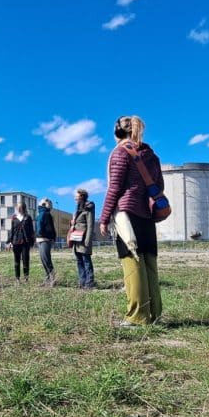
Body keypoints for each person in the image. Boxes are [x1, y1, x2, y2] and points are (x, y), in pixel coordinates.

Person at [99, 115, 163, 327]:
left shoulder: (120, 152)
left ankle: (137, 316)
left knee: (132, 263)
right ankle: (155, 313)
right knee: (149, 265)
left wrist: (104, 216)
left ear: (117, 132)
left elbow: (115, 188)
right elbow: (159, 187)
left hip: (127, 213)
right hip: (146, 214)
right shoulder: (152, 156)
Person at [70, 188, 96, 289]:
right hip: (76, 239)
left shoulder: (89, 207)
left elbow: (90, 225)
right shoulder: (77, 208)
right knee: (79, 260)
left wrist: (88, 240)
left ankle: (89, 283)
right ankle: (82, 282)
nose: (74, 197)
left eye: (76, 195)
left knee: (86, 260)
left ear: (81, 196)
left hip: (84, 238)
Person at [8, 202, 36, 283]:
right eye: (18, 207)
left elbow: (31, 230)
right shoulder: (14, 218)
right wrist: (10, 242)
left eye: (20, 207)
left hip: (25, 242)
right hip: (16, 242)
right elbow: (12, 230)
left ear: (24, 208)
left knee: (25, 260)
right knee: (16, 261)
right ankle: (17, 278)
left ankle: (26, 278)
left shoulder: (28, 217)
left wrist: (33, 240)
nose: (19, 209)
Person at [36, 198, 58, 286]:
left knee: (46, 259)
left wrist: (52, 237)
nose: (51, 205)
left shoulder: (46, 214)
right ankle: (48, 279)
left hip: (45, 239)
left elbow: (50, 228)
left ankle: (53, 279)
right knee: (44, 260)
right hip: (41, 239)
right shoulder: (42, 213)